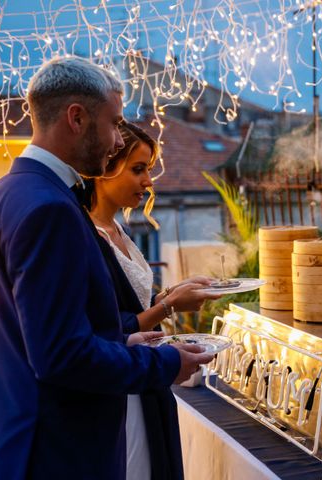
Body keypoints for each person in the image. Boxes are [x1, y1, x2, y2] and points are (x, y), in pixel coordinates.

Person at [0, 56, 214, 480]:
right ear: (76, 117)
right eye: (113, 122)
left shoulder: (1, 193)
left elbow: (31, 327)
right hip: (59, 450)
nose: (115, 140)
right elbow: (60, 356)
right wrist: (165, 363)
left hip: (13, 435)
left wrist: (120, 337)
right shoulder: (50, 209)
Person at [85, 121, 222, 480]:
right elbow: (110, 328)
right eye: (138, 169)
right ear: (104, 169)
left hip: (145, 378)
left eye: (148, 169)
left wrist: (171, 294)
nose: (149, 182)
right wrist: (170, 306)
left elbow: (132, 305)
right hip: (123, 390)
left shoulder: (121, 230)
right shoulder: (86, 237)